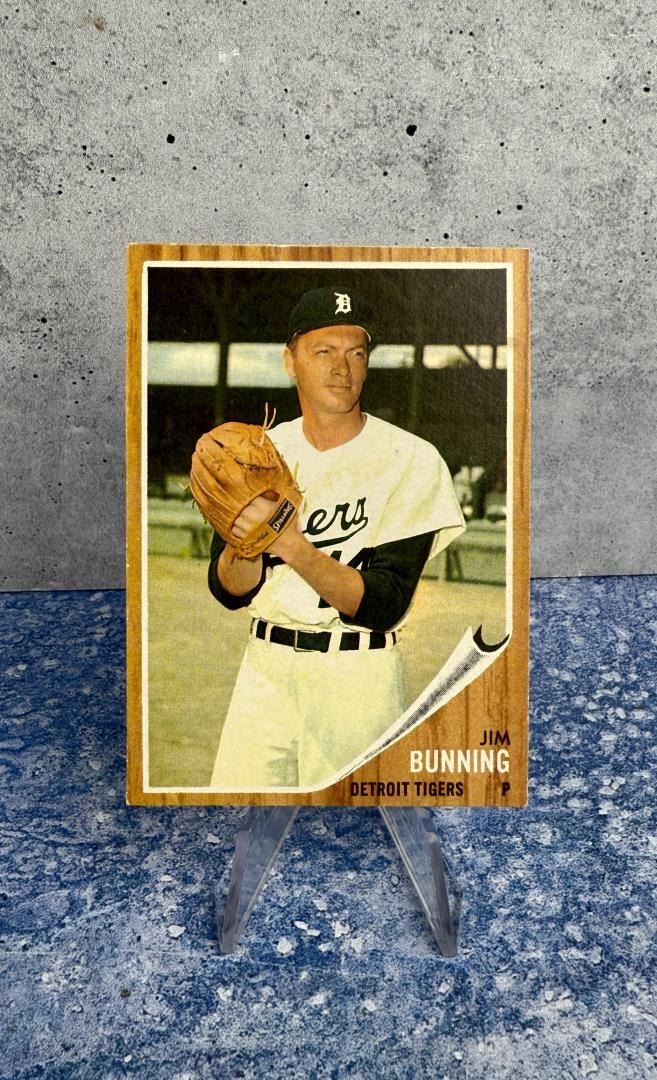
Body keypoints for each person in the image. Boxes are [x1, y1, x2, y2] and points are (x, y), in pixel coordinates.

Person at [207, 286, 465, 790]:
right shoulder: (260, 451)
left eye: (356, 353)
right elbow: (228, 591)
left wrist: (289, 543)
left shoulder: (411, 458)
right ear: (290, 361)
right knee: (239, 820)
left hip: (358, 679)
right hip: (264, 672)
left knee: (350, 828)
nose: (341, 368)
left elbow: (384, 603)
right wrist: (244, 543)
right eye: (323, 351)